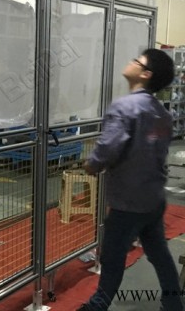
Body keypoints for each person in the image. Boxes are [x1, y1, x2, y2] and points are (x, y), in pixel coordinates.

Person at [77, 49, 184, 311]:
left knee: (112, 258)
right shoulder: (162, 113)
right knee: (160, 255)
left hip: (128, 203)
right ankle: (173, 303)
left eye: (137, 61)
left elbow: (108, 147)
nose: (131, 62)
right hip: (153, 199)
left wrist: (91, 165)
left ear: (145, 74)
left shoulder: (125, 107)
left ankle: (97, 306)